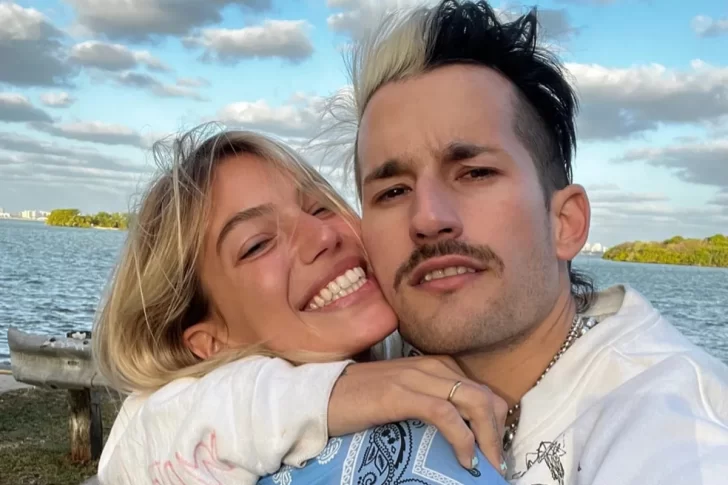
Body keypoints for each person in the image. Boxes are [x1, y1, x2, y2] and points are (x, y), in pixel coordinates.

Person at [308, 0, 728, 483]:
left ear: (565, 222)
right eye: (393, 192)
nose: (427, 218)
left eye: (475, 173)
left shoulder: (671, 422)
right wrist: (322, 398)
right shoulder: (366, 359)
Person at [94, 126, 509, 484]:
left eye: (320, 207)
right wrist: (327, 394)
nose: (323, 236)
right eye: (258, 244)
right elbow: (139, 445)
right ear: (210, 341)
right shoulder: (189, 418)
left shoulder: (425, 333)